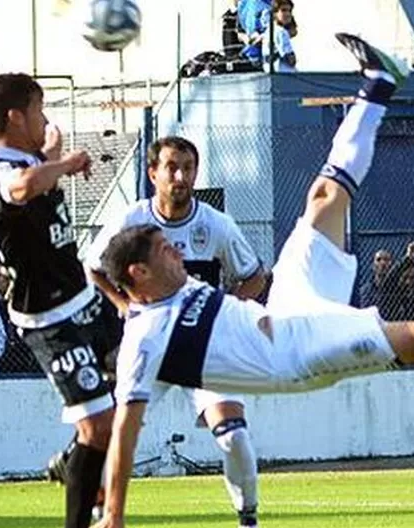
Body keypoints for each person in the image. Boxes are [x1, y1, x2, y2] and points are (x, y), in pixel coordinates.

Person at [92, 34, 414, 528]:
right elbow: (124, 433)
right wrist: (112, 513)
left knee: (323, 197)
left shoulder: (181, 270)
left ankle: (379, 82)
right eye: (163, 250)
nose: (174, 251)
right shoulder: (145, 339)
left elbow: (244, 279)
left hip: (288, 305)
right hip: (297, 355)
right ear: (140, 273)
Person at [86, 135, 267, 528]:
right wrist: (124, 305)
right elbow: (94, 266)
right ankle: (104, 513)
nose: (180, 176)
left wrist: (222, 313)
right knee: (115, 427)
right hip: (151, 344)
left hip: (204, 347)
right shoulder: (133, 220)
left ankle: (248, 518)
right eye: (171, 167)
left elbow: (255, 277)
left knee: (233, 435)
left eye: (188, 168)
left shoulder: (216, 225)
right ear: (153, 173)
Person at [0, 73, 122, 528]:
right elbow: (20, 189)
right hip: (49, 318)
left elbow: (36, 175)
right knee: (99, 423)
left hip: (82, 296)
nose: (45, 118)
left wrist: (50, 155)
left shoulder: (32, 158)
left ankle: (74, 460)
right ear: (15, 117)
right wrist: (64, 162)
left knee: (130, 386)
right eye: (38, 110)